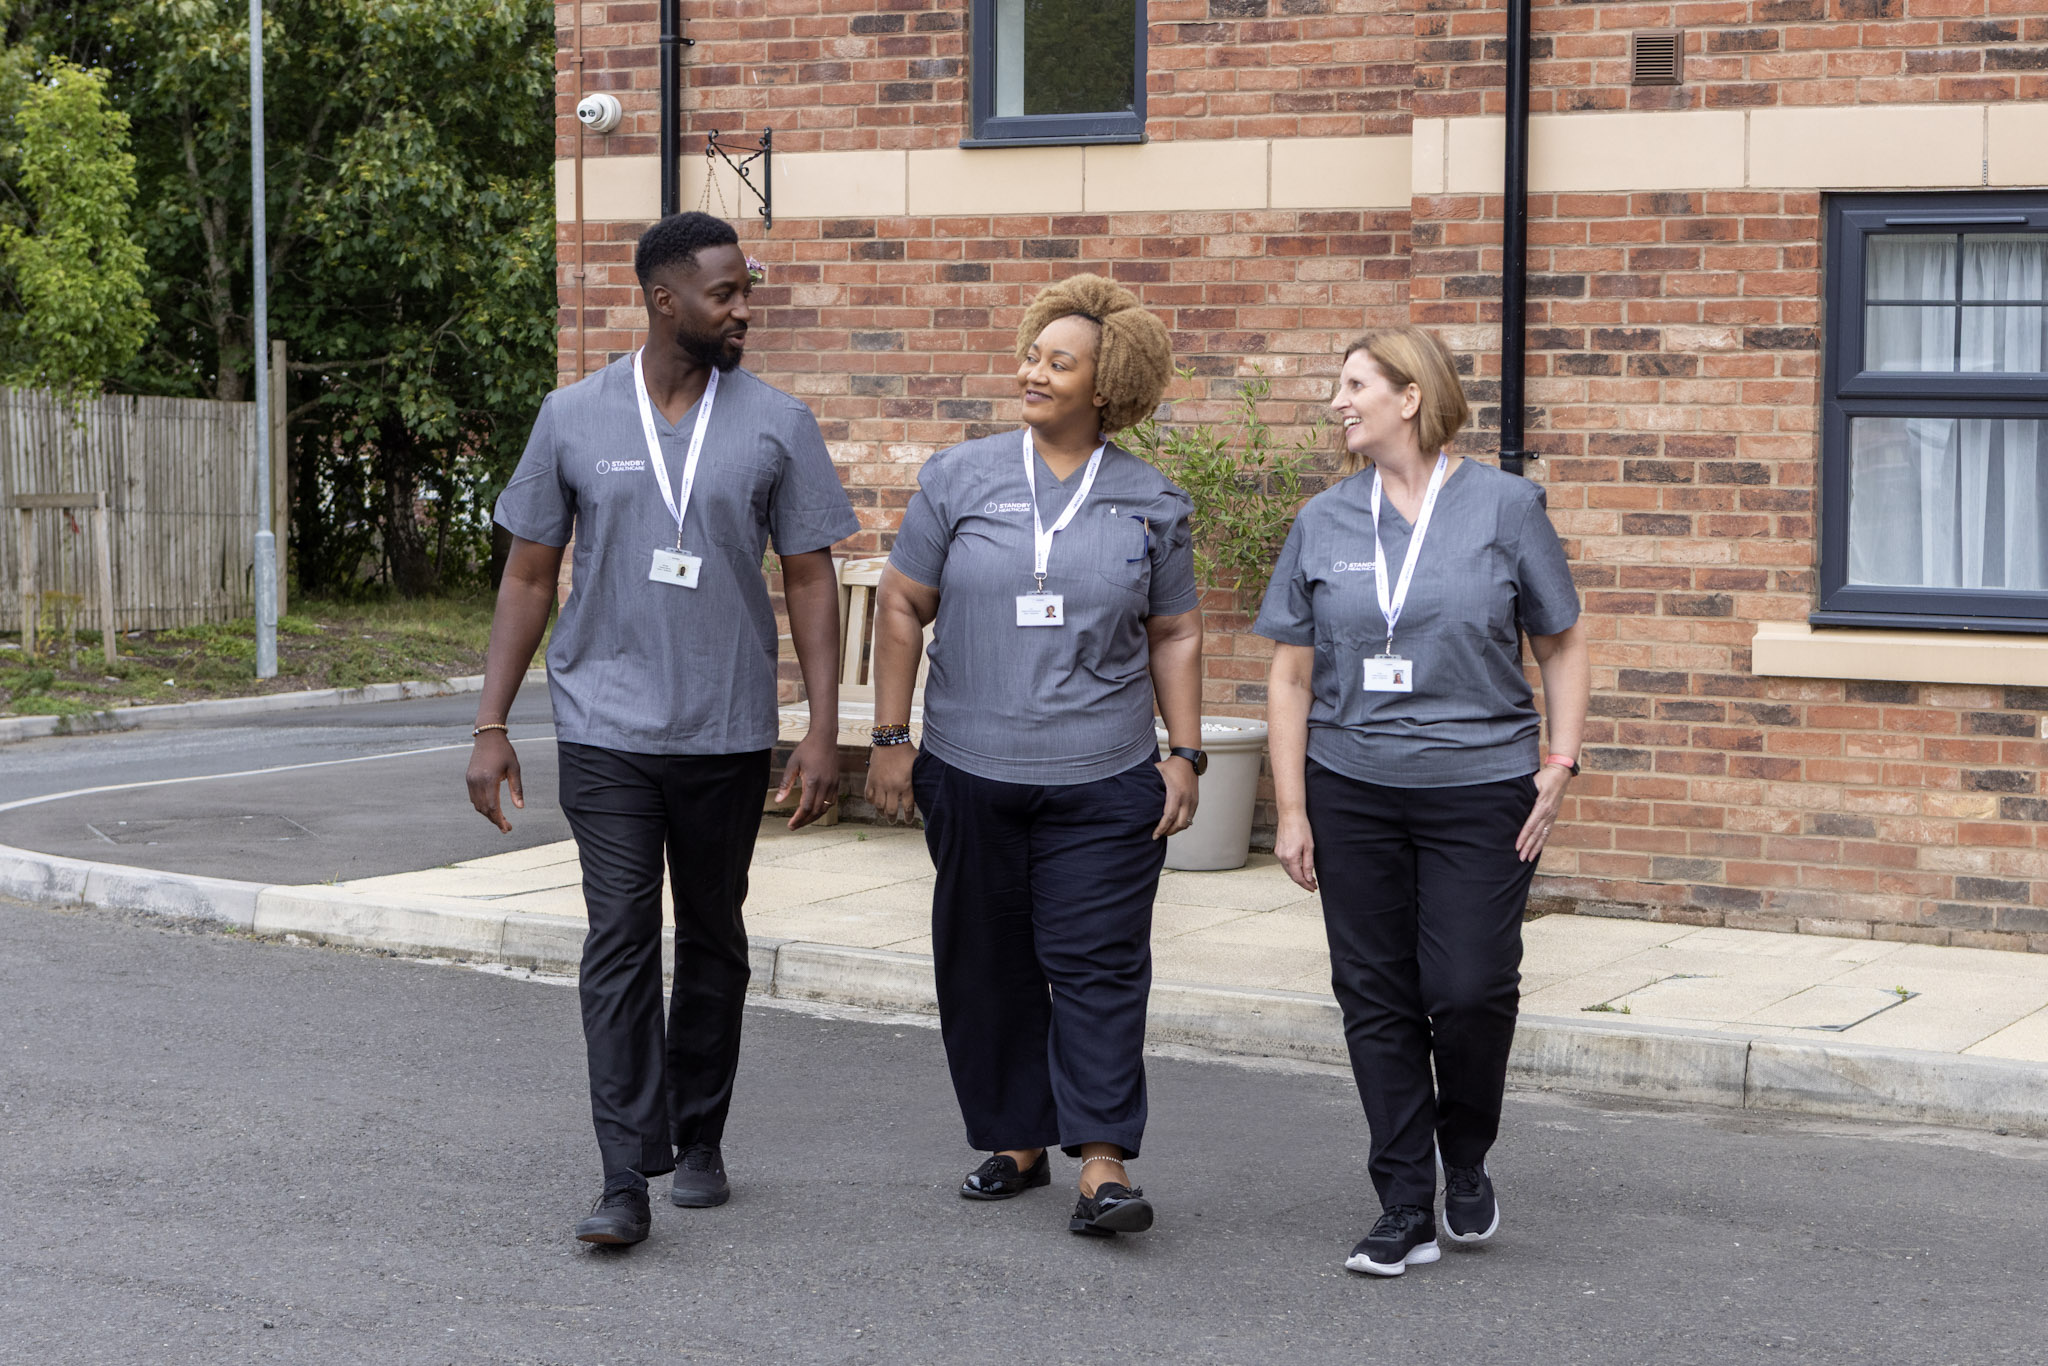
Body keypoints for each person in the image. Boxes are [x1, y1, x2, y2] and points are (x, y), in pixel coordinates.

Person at [465, 212, 859, 1247]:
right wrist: (492, 719)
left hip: (728, 728)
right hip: (605, 725)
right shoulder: (572, 416)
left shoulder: (776, 420)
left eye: (745, 289)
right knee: (621, 938)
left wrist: (821, 729)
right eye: (725, 292)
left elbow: (812, 578)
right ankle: (619, 1173)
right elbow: (529, 571)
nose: (743, 308)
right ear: (663, 299)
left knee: (715, 936)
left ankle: (698, 1132)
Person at [864, 274, 1204, 1237]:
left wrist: (1183, 752)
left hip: (1104, 779)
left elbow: (1175, 634)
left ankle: (1101, 1161)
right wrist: (892, 739)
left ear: (1108, 385)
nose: (1034, 372)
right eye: (1032, 355)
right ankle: (1016, 1140)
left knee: (1099, 964)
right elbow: (900, 603)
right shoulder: (959, 478)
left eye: (1061, 362)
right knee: (986, 961)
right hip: (970, 769)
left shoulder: (1149, 500)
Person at [1255, 326, 1589, 1277]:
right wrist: (1290, 808)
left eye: (1354, 383)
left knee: (1469, 988)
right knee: (1374, 995)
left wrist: (1559, 763)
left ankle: (1465, 1152)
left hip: (1484, 790)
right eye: (1337, 385)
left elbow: (1562, 642)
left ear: (1411, 395)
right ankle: (1403, 1200)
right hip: (1352, 789)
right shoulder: (1325, 519)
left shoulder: (1505, 507)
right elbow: (1289, 677)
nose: (1337, 402)